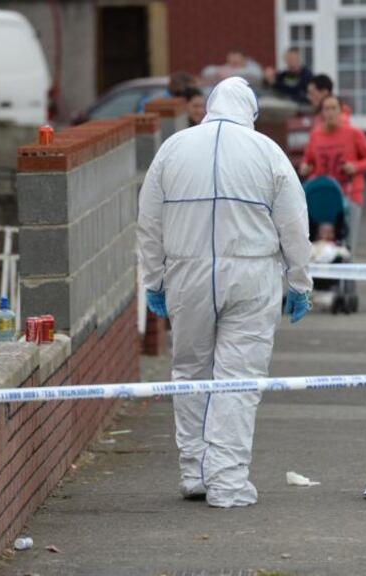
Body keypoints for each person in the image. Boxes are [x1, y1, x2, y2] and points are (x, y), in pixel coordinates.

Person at [137, 77, 313, 508]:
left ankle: (195, 472)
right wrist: (299, 281)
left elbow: (149, 223)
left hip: (187, 274)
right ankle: (228, 483)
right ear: (249, 112)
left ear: (210, 106)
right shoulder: (267, 151)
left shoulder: (173, 149)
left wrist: (154, 281)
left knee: (191, 373)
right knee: (238, 380)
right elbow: (294, 223)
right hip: (252, 276)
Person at [299, 95, 366, 251]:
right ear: (321, 113)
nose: (330, 113)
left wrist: (355, 166)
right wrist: (305, 168)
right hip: (325, 198)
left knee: (347, 247)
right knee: (320, 246)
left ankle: (347, 275)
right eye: (326, 109)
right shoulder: (315, 135)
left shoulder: (353, 133)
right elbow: (306, 161)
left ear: (341, 111)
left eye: (334, 108)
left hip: (350, 195)